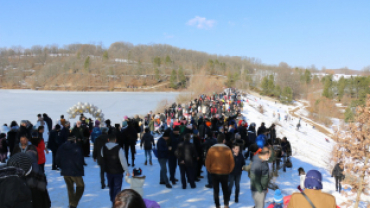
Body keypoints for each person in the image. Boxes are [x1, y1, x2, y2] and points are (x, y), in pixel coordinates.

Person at [205, 133, 235, 208]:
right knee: (225, 190)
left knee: (216, 190)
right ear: (224, 140)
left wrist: (209, 170)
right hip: (224, 173)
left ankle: (217, 205)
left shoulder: (211, 149)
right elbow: (232, 162)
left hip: (214, 172)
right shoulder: (227, 149)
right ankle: (226, 205)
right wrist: (229, 171)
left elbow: (207, 161)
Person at [56, 136, 85, 208]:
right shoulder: (77, 147)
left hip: (65, 170)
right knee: (81, 186)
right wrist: (80, 169)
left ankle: (71, 204)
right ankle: (73, 203)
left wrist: (62, 167)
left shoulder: (61, 147)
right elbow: (80, 160)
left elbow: (57, 159)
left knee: (70, 188)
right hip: (75, 171)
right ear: (74, 140)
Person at [101, 133, 130, 204]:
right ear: (115, 140)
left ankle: (112, 200)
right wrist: (127, 170)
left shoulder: (103, 148)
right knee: (117, 188)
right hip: (118, 171)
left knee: (111, 187)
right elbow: (123, 161)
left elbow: (102, 156)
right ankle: (116, 202)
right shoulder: (119, 149)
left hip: (108, 171)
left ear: (108, 140)